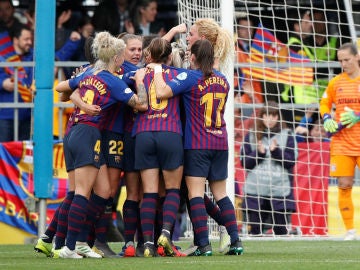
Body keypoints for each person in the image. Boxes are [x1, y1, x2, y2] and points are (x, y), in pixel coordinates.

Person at [53, 31, 148, 259]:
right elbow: (142, 104)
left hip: (74, 132)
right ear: (116, 58)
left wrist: (81, 103)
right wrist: (141, 81)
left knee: (102, 191)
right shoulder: (113, 81)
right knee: (82, 193)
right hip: (88, 133)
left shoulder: (88, 73)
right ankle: (69, 246)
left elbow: (61, 89)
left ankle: (76, 243)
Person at [147, 39, 243, 256]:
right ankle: (236, 241)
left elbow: (161, 92)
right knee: (221, 195)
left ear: (193, 58)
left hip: (197, 144)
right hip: (220, 141)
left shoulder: (190, 77)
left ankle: (203, 244)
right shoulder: (224, 80)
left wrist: (159, 69)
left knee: (195, 195)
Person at [132, 37, 184, 257]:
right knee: (172, 189)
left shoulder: (137, 74)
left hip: (143, 134)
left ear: (148, 55)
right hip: (170, 133)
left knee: (149, 192)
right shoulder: (181, 75)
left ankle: (146, 244)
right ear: (170, 57)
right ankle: (164, 234)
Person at [319, 42, 360, 241]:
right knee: (344, 184)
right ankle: (350, 230)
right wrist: (327, 118)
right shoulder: (336, 82)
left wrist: (358, 115)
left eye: (347, 59)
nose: (343, 64)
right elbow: (325, 103)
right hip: (342, 143)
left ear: (357, 57)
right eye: (340, 60)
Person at [240, 101, 297, 236]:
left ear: (278, 117)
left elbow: (291, 161)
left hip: (279, 190)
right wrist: (259, 153)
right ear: (262, 116)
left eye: (273, 116)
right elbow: (245, 163)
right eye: (266, 115)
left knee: (281, 231)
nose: (269, 119)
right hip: (256, 190)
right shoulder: (251, 135)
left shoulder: (287, 134)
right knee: (255, 231)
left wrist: (276, 151)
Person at [281, 9, 314, 126]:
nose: (311, 24)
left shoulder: (303, 44)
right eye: (306, 22)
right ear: (296, 26)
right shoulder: (295, 46)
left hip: (304, 98)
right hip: (297, 100)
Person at [0, 24, 33, 142]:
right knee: (3, 154)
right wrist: (2, 83)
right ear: (15, 40)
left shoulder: (33, 56)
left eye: (30, 39)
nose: (29, 42)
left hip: (26, 114)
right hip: (5, 115)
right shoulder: (3, 56)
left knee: (23, 155)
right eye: (26, 39)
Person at [235, 15, 263, 104]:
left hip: (256, 97)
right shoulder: (233, 50)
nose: (248, 31)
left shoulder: (257, 50)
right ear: (237, 30)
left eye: (250, 28)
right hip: (241, 100)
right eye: (244, 28)